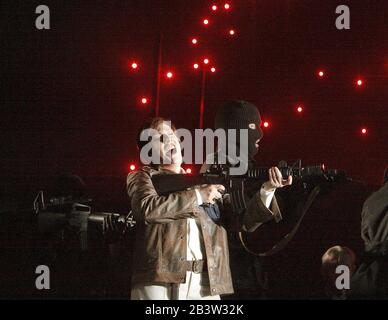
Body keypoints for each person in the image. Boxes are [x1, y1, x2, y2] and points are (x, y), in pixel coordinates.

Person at [127, 116, 284, 300]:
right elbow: (146, 208)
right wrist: (198, 196)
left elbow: (242, 222)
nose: (170, 139)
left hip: (206, 282)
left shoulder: (202, 182)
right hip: (159, 280)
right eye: (160, 138)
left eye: (172, 135)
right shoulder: (142, 177)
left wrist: (267, 189)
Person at [200, 100, 293, 299]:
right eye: (253, 127)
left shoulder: (243, 166)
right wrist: (267, 190)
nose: (260, 135)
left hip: (248, 275)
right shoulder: (217, 166)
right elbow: (239, 224)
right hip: (228, 277)